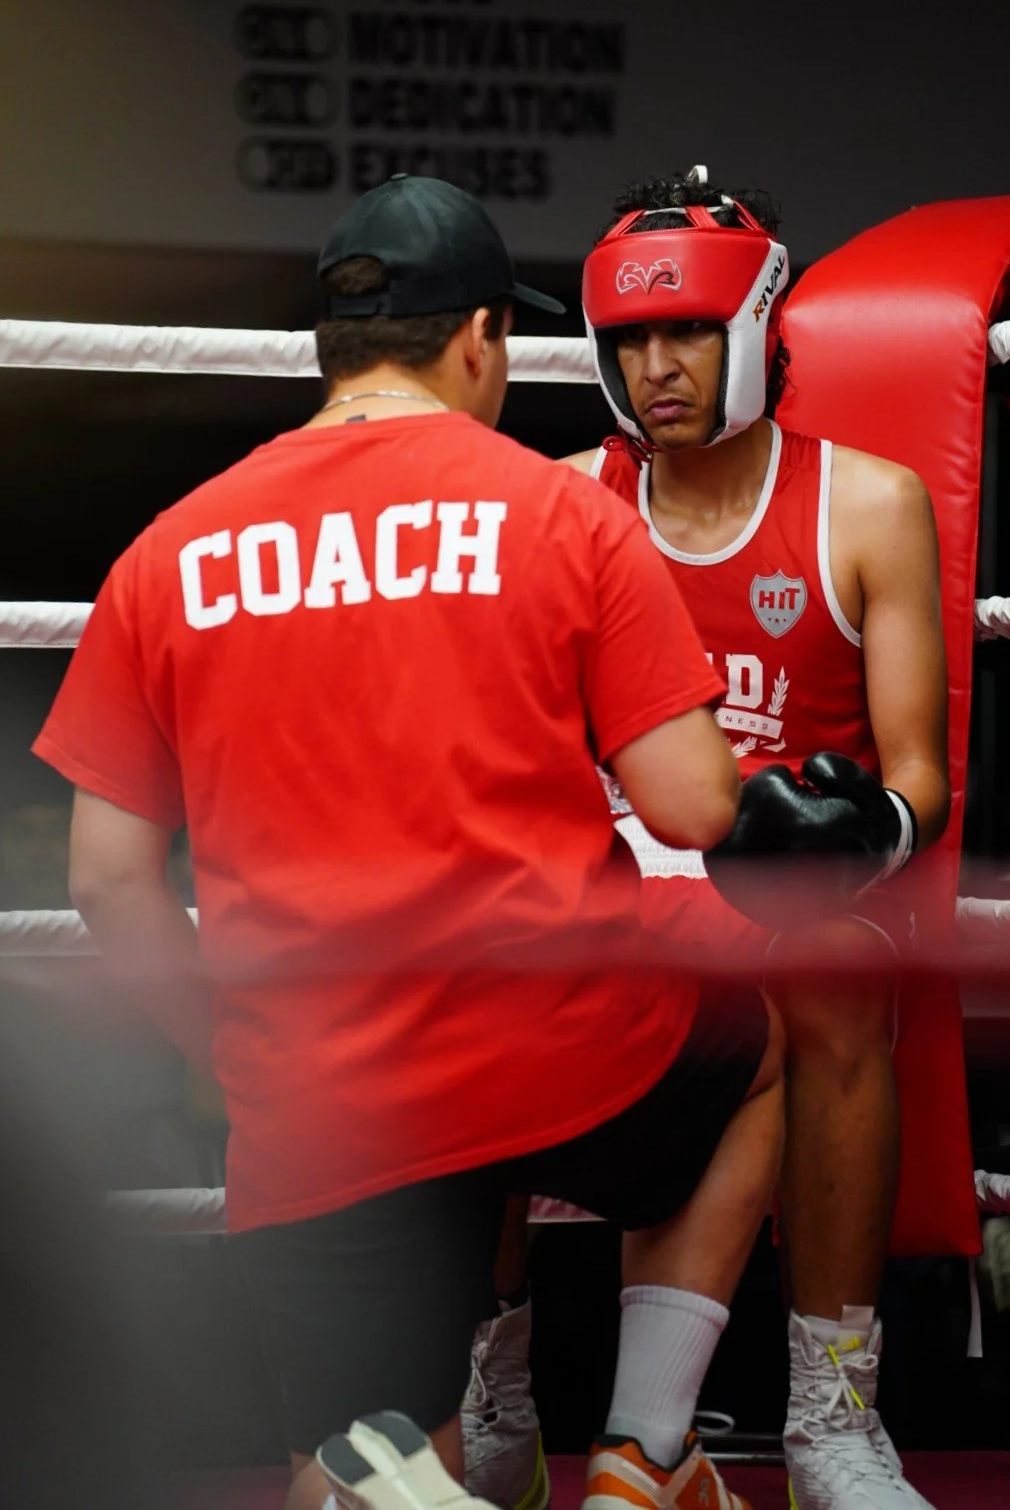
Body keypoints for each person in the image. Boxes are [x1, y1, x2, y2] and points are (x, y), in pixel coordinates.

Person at [34, 174, 785, 1510]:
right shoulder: (563, 513)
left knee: (363, 1473)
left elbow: (103, 878)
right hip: (565, 1046)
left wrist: (232, 1055)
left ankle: (415, 1464)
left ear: (332, 348)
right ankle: (646, 1450)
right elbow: (694, 808)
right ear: (483, 339)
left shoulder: (171, 549)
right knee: (769, 1035)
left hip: (327, 1090)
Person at [465, 169, 949, 1510]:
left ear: (756, 334)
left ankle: (832, 1420)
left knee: (830, 970)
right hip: (609, 890)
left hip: (792, 905)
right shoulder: (564, 502)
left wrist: (859, 833)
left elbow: (920, 771)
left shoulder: (866, 504)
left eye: (686, 332)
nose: (657, 369)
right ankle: (495, 1395)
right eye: (630, 340)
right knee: (469, 960)